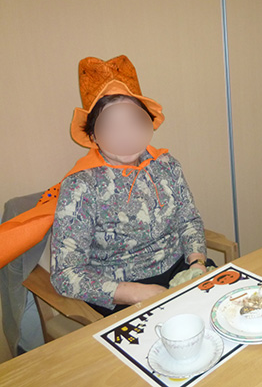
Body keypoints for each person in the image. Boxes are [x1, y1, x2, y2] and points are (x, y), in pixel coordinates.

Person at [49, 55, 210, 316]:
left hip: (183, 271)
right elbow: (65, 274)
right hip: (121, 294)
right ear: (93, 135)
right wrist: (135, 293)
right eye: (111, 126)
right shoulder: (81, 186)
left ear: (148, 122)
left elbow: (189, 220)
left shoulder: (166, 165)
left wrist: (197, 263)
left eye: (134, 122)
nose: (125, 135)